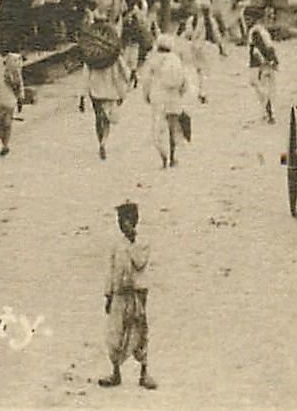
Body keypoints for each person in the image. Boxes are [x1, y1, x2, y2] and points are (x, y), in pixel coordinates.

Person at [98, 201, 156, 390]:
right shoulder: (116, 244)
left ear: (134, 221)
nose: (123, 224)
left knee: (140, 332)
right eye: (120, 221)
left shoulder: (142, 243)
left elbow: (140, 262)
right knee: (115, 333)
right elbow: (111, 270)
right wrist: (108, 295)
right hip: (119, 294)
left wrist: (132, 242)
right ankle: (115, 372)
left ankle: (144, 373)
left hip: (136, 294)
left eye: (126, 220)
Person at [142, 33, 193, 168]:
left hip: (158, 96)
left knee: (159, 129)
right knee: (173, 128)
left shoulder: (152, 60)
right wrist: (181, 93)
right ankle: (173, 156)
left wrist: (146, 95)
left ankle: (163, 155)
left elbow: (146, 81)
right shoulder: (175, 59)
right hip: (173, 97)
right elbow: (184, 81)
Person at [84, 29, 130, 160]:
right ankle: (104, 141)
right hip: (110, 89)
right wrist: (126, 84)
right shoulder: (114, 54)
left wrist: (82, 94)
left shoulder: (91, 54)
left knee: (98, 117)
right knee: (107, 120)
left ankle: (100, 141)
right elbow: (125, 72)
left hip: (95, 88)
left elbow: (85, 74)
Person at [177, 0, 225, 104]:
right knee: (205, 71)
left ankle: (198, 90)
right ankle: (203, 91)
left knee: (198, 70)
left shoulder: (191, 20)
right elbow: (216, 35)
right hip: (207, 47)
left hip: (195, 47)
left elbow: (188, 34)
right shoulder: (210, 21)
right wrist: (221, 47)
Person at [246, 16, 278, 125]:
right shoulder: (263, 30)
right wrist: (274, 60)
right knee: (265, 86)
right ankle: (267, 111)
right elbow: (270, 46)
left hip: (258, 62)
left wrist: (265, 60)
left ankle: (267, 109)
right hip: (266, 60)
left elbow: (258, 47)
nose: (246, 21)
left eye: (248, 19)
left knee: (256, 83)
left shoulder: (255, 31)